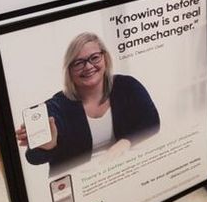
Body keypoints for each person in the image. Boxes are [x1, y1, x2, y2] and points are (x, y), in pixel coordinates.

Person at [16, 32, 160, 174]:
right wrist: (47, 146)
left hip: (121, 172)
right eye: (78, 63)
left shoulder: (127, 85)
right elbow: (33, 158)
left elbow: (152, 121)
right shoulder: (56, 107)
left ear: (105, 58)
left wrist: (126, 142)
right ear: (69, 70)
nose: (88, 66)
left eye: (95, 58)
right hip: (82, 184)